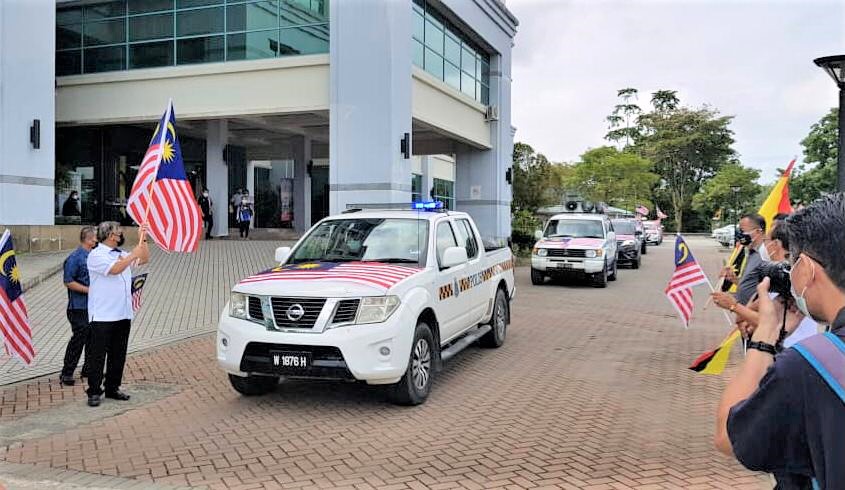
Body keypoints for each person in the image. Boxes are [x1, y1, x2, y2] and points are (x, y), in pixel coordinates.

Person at [715, 193, 845, 488]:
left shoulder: (809, 366)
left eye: (793, 263)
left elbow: (728, 438)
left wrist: (764, 339)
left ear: (806, 269)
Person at [85, 222, 150, 407]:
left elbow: (144, 259)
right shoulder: (96, 255)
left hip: (123, 312)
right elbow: (114, 270)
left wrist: (143, 238)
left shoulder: (121, 254)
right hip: (103, 315)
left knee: (118, 354)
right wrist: (132, 255)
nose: (121, 234)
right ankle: (94, 391)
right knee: (98, 355)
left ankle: (113, 387)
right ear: (110, 235)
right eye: (118, 232)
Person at [59, 226, 97, 386]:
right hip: (78, 307)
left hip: (93, 306)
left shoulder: (94, 256)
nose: (97, 239)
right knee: (79, 338)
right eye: (95, 237)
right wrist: (89, 290)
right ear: (89, 239)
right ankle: (66, 372)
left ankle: (88, 369)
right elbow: (68, 281)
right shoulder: (75, 258)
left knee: (92, 338)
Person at [718, 214, 768, 307]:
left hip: (755, 312)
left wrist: (735, 306)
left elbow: (769, 291)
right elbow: (751, 283)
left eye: (743, 231)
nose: (740, 235)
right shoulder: (751, 252)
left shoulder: (766, 255)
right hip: (744, 310)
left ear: (758, 231)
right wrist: (734, 279)